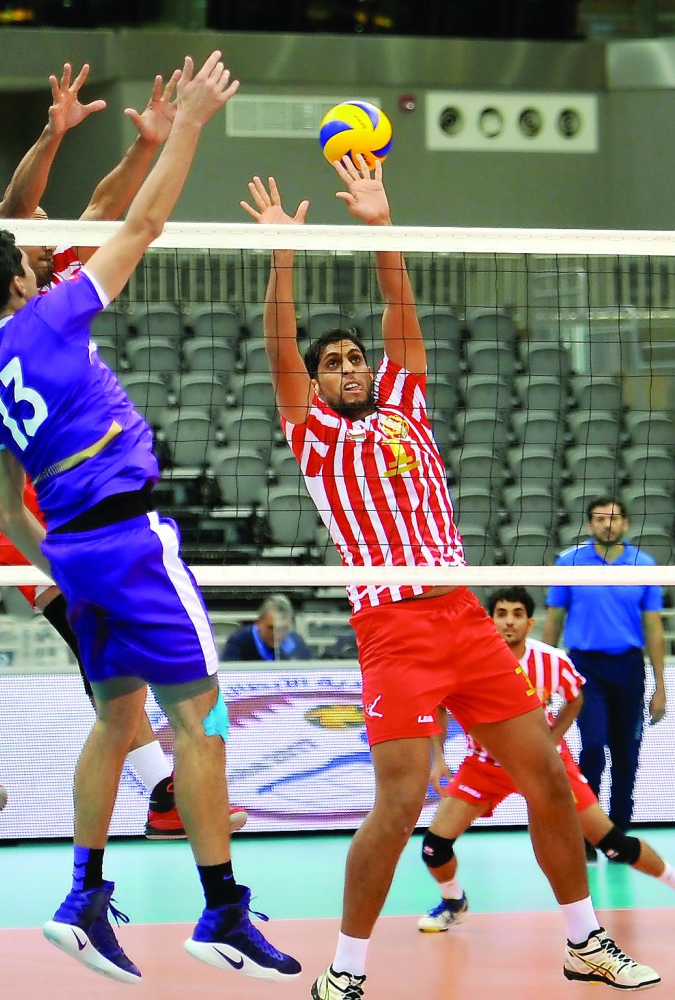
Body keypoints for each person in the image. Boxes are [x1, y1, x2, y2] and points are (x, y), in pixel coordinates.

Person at [241, 158, 660, 996]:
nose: (349, 367)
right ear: (316, 383)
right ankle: (347, 969)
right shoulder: (313, 436)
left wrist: (380, 225)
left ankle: (583, 942)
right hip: (392, 628)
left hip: (464, 618)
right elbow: (277, 348)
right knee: (398, 804)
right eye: (334, 363)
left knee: (545, 775)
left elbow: (402, 312)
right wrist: (283, 257)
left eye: (355, 357)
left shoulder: (404, 402)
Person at [0, 50, 300, 986]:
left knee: (117, 722)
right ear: (23, 278)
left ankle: (83, 895)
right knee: (201, 726)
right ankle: (222, 910)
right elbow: (140, 221)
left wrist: (60, 568)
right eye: (30, 257)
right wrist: (187, 122)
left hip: (72, 550)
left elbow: (4, 513)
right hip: (131, 538)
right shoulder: (54, 314)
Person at [0, 62, 248, 842]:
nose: (44, 239)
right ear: (13, 266)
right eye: (30, 244)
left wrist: (147, 144)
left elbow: (110, 206)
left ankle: (161, 793)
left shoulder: (55, 281)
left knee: (92, 634)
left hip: (33, 484)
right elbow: (20, 207)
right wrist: (53, 131)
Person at [418, 585, 675, 933]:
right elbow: (439, 706)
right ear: (489, 620)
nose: (509, 622)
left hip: (546, 764)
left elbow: (575, 697)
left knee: (614, 845)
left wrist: (551, 741)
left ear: (530, 622)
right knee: (434, 847)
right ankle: (453, 901)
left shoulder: (550, 660)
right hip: (485, 766)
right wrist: (438, 759)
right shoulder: (465, 661)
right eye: (501, 614)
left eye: (517, 614)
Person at [543, 495, 666, 846]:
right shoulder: (569, 563)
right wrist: (549, 676)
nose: (607, 524)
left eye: (613, 518)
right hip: (585, 669)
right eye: (599, 519)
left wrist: (661, 686)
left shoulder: (644, 564)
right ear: (589, 525)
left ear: (625, 524)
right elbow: (553, 621)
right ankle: (589, 830)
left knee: (626, 752)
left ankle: (618, 832)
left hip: (628, 666)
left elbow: (654, 628)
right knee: (593, 747)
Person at [222, 593, 313, 661]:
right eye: (271, 628)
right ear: (258, 623)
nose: (278, 635)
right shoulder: (238, 643)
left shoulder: (296, 642)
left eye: (283, 629)